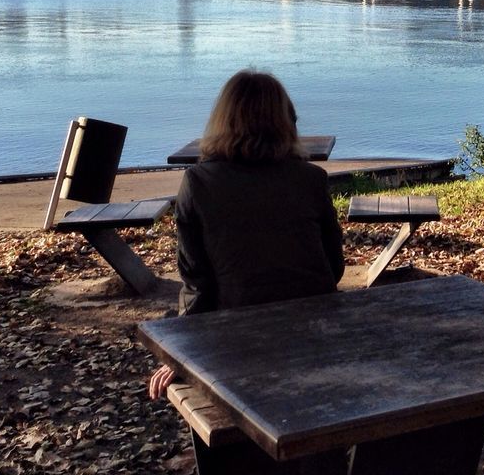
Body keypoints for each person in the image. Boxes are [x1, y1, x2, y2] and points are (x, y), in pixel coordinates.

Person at [147, 70, 344, 399]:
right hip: (317, 332)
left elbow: (197, 284)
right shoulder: (311, 179)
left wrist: (184, 352)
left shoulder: (198, 183)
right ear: (286, 121)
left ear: (222, 120)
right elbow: (333, 267)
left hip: (238, 338)